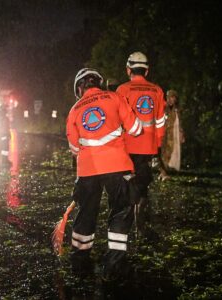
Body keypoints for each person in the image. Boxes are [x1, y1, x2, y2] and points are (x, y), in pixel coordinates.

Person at [66, 68, 142, 280]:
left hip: (88, 169)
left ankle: (79, 262)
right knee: (120, 211)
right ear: (98, 83)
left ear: (80, 88)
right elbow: (135, 129)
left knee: (86, 213)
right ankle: (114, 264)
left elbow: (74, 147)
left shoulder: (74, 110)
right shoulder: (115, 97)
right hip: (117, 165)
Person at [116, 52, 166, 232]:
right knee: (143, 181)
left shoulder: (122, 90)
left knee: (128, 180)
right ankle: (140, 215)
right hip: (148, 147)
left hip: (127, 146)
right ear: (147, 70)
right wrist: (158, 145)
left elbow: (117, 121)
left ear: (128, 69)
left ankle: (127, 213)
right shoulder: (157, 91)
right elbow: (160, 121)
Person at [159, 89, 185, 180]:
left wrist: (181, 133)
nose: (170, 99)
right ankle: (163, 173)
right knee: (163, 153)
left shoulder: (177, 110)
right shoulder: (163, 108)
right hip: (163, 134)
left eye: (172, 97)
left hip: (173, 134)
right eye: (169, 97)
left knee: (171, 152)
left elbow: (180, 122)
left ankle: (165, 171)